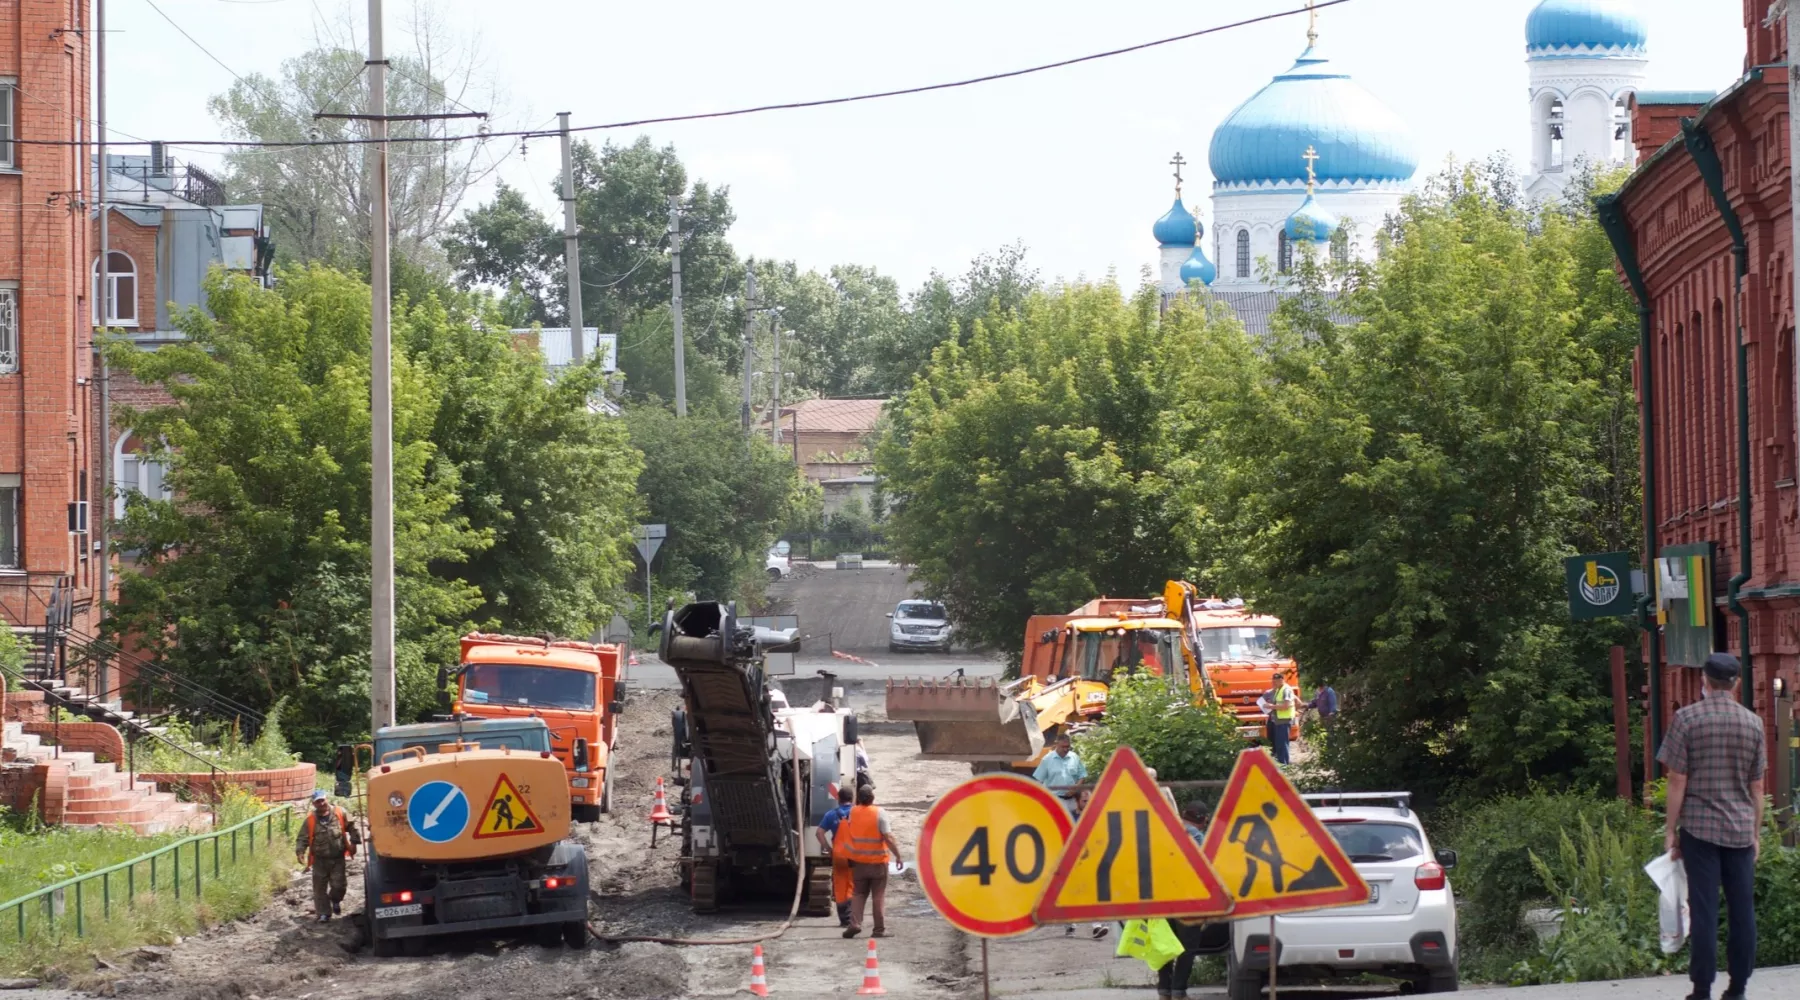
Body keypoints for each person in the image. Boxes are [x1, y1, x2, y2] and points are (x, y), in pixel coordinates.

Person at [1658, 652, 1766, 1000]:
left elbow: (1677, 779)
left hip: (1700, 831)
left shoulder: (1686, 719)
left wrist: (1671, 830)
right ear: (1736, 683)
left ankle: (1701, 989)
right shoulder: (1753, 723)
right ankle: (1738, 988)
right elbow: (1758, 786)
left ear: (1704, 680)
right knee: (1742, 910)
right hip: (1739, 830)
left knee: (1703, 909)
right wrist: (1755, 833)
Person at [1032, 735, 1108, 940]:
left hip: (1071, 807)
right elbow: (1038, 781)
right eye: (1063, 746)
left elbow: (1082, 775)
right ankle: (1071, 922)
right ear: (1057, 745)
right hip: (1056, 802)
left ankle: (1095, 924)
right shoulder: (1048, 760)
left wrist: (1077, 787)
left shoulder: (1074, 758)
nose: (1066, 749)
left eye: (1068, 747)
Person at [842, 785, 905, 939]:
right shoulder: (879, 813)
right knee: (878, 896)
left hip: (859, 862)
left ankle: (855, 924)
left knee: (858, 894)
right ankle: (878, 930)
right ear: (872, 798)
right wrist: (898, 855)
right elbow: (888, 837)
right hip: (878, 863)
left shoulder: (853, 812)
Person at [294, 790, 360, 922]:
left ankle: (335, 900)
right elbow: (302, 838)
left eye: (323, 800)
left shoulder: (340, 812)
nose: (321, 803)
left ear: (326, 799)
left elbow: (353, 828)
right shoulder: (310, 820)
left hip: (337, 858)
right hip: (319, 860)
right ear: (314, 803)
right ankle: (324, 914)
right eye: (318, 801)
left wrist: (354, 843)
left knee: (339, 886)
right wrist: (300, 852)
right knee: (319, 888)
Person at [816, 786, 856, 926]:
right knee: (853, 884)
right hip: (854, 855)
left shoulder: (831, 814)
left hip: (838, 855)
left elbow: (819, 833)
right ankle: (852, 918)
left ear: (838, 798)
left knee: (840, 886)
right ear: (852, 798)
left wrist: (827, 848)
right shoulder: (857, 813)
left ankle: (844, 920)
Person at [1256, 674, 1298, 765]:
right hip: (1278, 721)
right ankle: (1280, 764)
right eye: (1273, 681)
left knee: (1282, 745)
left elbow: (1286, 706)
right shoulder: (1279, 690)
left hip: (1284, 720)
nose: (1274, 683)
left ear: (1282, 680)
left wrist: (1271, 706)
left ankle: (1284, 765)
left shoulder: (1286, 690)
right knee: (1278, 744)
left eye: (1276, 681)